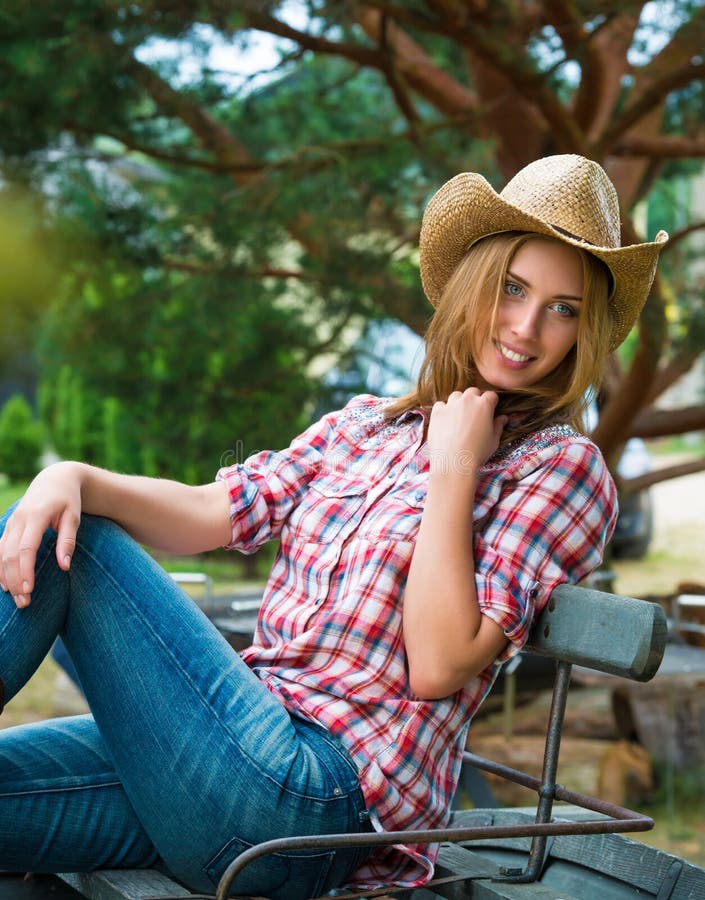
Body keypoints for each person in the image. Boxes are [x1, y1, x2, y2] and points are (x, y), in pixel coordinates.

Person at [0, 154, 667, 898]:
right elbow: (211, 514)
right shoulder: (365, 426)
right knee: (60, 512)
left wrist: (454, 468)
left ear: (585, 329)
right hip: (225, 755)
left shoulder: (559, 469)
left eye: (562, 307)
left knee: (80, 543)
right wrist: (74, 477)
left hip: (314, 805)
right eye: (512, 288)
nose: (525, 326)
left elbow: (439, 663)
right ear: (474, 281)